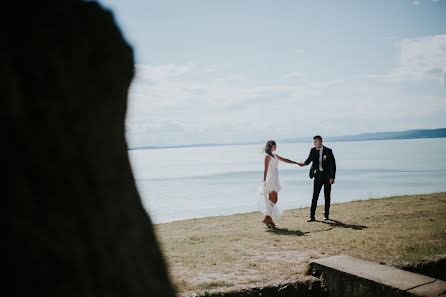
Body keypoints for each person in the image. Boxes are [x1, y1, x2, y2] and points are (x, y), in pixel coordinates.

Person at [259, 140, 300, 227]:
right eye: (275, 145)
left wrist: (296, 163)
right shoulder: (267, 157)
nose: (276, 147)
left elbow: (284, 160)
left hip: (275, 179)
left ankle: (268, 219)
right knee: (272, 200)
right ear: (271, 146)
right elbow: (265, 169)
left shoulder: (274, 155)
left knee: (274, 200)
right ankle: (267, 219)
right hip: (270, 180)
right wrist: (264, 181)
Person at [298, 135, 336, 222]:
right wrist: (302, 164)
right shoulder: (313, 150)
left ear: (320, 142)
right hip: (317, 176)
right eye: (314, 142)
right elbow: (308, 160)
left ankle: (326, 215)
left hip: (327, 177)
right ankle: (312, 216)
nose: (314, 143)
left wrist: (332, 177)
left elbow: (333, 165)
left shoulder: (328, 151)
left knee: (327, 196)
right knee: (315, 196)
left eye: (316, 142)